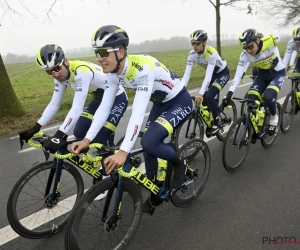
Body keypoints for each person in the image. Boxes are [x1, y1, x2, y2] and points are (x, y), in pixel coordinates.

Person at [71, 25, 193, 196]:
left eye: (104, 53)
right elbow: (105, 107)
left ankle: (180, 163)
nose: (99, 59)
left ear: (120, 53)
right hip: (160, 103)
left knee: (149, 142)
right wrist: (87, 139)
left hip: (180, 101)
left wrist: (123, 151)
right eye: (97, 53)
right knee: (148, 146)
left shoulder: (143, 68)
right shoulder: (113, 74)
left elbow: (137, 112)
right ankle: (155, 187)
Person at [19, 44, 128, 160]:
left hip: (117, 97)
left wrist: (59, 135)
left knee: (99, 136)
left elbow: (77, 107)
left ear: (65, 61)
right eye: (49, 72)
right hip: (100, 98)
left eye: (56, 68)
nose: (55, 74)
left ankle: (109, 170)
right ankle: (107, 145)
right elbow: (54, 104)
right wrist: (35, 128)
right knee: (80, 131)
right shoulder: (60, 77)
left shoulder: (81, 72)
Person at [223, 29, 285, 136]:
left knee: (268, 96)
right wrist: (229, 94)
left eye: (250, 46)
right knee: (250, 99)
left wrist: (276, 36)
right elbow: (238, 75)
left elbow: (276, 33)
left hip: (277, 73)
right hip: (262, 76)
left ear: (257, 40)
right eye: (245, 48)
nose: (248, 50)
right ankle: (256, 125)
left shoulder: (270, 41)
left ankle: (274, 117)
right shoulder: (245, 55)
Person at [183, 29, 230, 135]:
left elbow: (208, 76)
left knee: (208, 96)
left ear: (204, 43)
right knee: (204, 100)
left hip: (222, 73)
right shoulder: (192, 55)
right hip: (213, 75)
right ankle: (214, 111)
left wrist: (200, 93)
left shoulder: (211, 53)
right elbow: (186, 75)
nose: (195, 46)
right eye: (193, 43)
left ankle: (217, 121)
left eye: (197, 43)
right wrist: (181, 89)